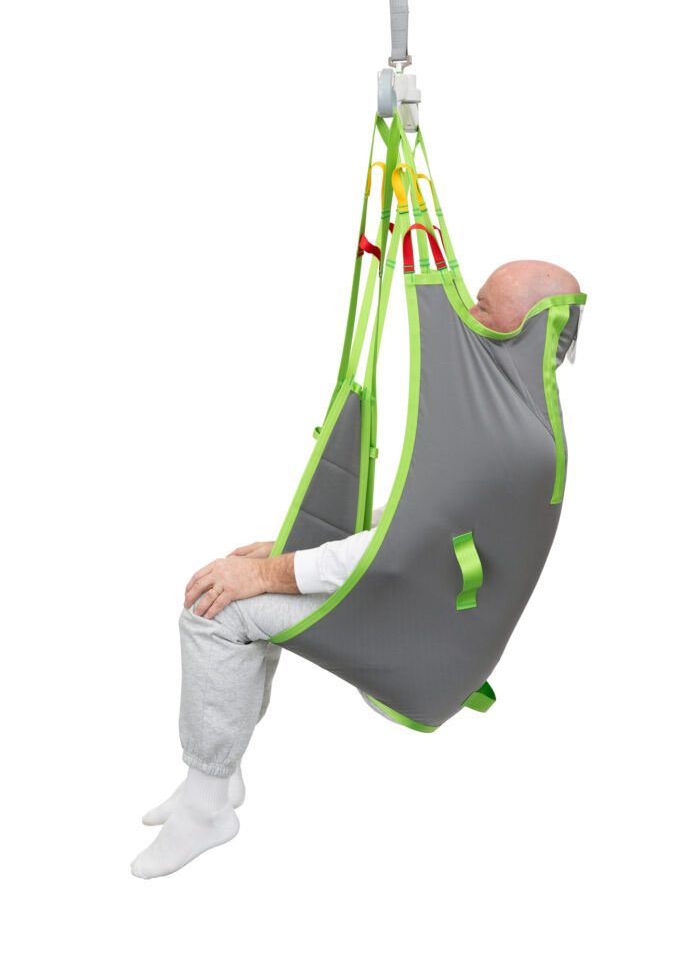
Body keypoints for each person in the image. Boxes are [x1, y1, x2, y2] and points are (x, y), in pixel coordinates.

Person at [131, 260, 580, 879]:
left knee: (215, 610)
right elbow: (422, 521)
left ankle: (207, 804)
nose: (469, 315)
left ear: (525, 325)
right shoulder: (522, 424)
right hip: (432, 624)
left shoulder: (502, 443)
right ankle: (219, 777)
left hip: (418, 641)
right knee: (240, 591)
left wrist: (268, 574)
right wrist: (280, 549)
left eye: (482, 305)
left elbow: (401, 551)